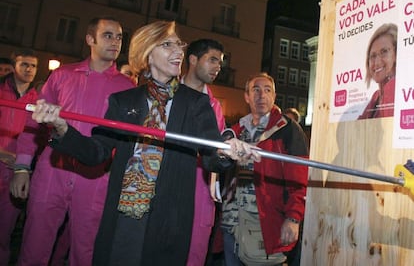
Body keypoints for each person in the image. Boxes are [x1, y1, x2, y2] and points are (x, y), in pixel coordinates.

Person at [28, 20, 259, 266]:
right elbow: (96, 152)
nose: (179, 51)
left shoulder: (195, 104)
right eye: (168, 45)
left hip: (169, 221)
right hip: (123, 218)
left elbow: (212, 156)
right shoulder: (124, 101)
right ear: (148, 53)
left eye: (179, 45)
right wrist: (62, 128)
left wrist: (228, 152)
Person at [10, 16, 135, 266]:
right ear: (90, 39)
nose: (116, 42)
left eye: (119, 36)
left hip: (96, 177)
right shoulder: (61, 75)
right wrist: (22, 167)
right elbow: (34, 123)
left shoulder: (127, 86)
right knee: (34, 246)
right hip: (52, 170)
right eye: (108, 35)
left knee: (86, 252)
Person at [221, 72, 309, 266]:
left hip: (264, 227)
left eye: (267, 90)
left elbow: (300, 181)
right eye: (256, 90)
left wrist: (293, 218)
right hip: (231, 226)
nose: (262, 95)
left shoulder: (287, 130)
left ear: (274, 97)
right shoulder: (235, 130)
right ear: (246, 96)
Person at [181, 38, 226, 266]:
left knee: (195, 255)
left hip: (200, 191)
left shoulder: (215, 106)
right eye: (212, 60)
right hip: (165, 187)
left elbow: (216, 154)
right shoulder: (167, 95)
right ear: (193, 59)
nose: (218, 66)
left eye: (220, 62)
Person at [0, 49, 38, 266]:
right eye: (24, 64)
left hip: (18, 172)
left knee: (5, 230)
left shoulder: (39, 99)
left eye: (33, 66)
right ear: (14, 66)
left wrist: (25, 163)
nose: (29, 69)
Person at [358, 23, 397, 119]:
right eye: (373, 56)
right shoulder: (376, 96)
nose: (377, 62)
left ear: (396, 54)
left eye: (384, 52)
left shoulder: (394, 87)